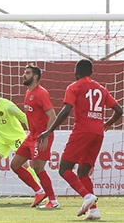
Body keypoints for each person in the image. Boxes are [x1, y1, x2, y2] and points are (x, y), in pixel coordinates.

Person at [38, 59, 122, 220]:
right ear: (91, 72)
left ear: (76, 72)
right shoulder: (101, 89)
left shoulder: (74, 87)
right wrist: (108, 124)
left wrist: (49, 131)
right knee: (83, 172)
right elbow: (119, 110)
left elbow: (65, 111)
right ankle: (94, 211)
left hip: (82, 131)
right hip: (98, 133)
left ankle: (86, 196)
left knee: (64, 168)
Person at [0, 83, 43, 205]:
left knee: (23, 166)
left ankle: (41, 191)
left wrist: (33, 134)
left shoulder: (7, 105)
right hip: (2, 139)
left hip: (17, 138)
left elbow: (24, 117)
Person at [10, 65, 59, 209]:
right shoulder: (28, 93)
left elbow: (52, 116)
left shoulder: (41, 93)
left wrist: (46, 134)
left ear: (36, 76)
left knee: (38, 167)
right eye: (24, 73)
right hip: (31, 136)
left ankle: (53, 201)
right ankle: (38, 192)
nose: (24, 75)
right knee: (15, 165)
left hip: (42, 136)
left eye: (27, 73)